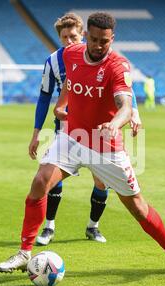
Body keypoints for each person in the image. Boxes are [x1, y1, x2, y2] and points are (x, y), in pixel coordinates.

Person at [0, 12, 165, 276]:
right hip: (71, 137)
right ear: (86, 36)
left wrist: (115, 124)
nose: (98, 45)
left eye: (104, 41)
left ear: (112, 38)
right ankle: (24, 252)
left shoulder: (118, 66)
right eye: (93, 39)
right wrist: (61, 106)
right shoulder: (71, 55)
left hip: (106, 146)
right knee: (40, 181)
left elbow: (125, 104)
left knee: (138, 207)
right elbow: (70, 82)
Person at [29, 13, 142, 245]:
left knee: (101, 181)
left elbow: (123, 91)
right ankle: (49, 227)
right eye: (64, 37)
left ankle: (93, 226)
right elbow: (44, 97)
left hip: (101, 129)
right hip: (66, 129)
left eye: (73, 36)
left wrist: (134, 114)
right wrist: (36, 133)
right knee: (51, 178)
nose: (69, 41)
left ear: (83, 35)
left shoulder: (102, 58)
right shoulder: (54, 61)